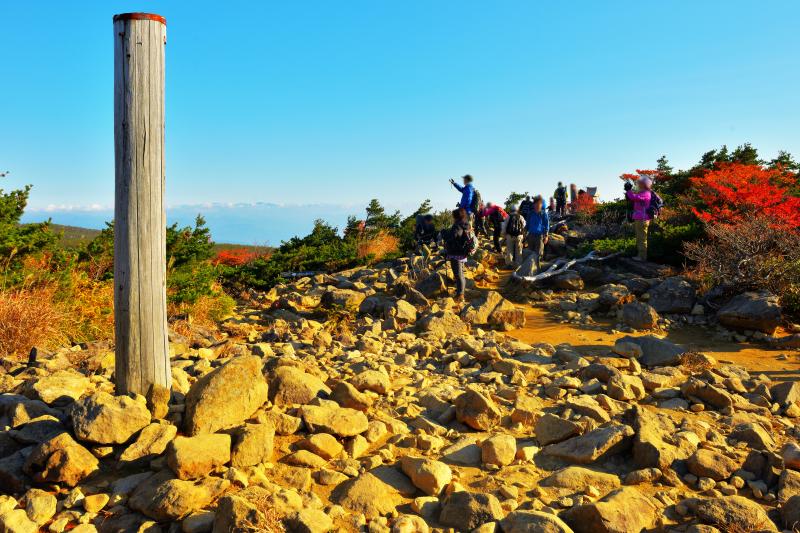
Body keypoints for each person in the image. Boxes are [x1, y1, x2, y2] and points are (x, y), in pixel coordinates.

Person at [443, 208, 478, 302]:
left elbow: (454, 237)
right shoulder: (466, 223)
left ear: (456, 216)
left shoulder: (457, 225)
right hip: (462, 252)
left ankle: (460, 295)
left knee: (458, 275)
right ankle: (460, 293)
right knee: (461, 274)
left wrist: (444, 234)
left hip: (456, 253)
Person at [625, 176, 654, 261]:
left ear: (644, 185)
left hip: (642, 219)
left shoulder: (646, 193)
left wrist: (629, 191)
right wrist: (629, 192)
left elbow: (634, 198)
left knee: (641, 238)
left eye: (640, 183)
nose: (638, 185)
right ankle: (640, 255)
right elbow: (633, 198)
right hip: (640, 218)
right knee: (640, 237)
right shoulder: (643, 192)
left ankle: (642, 257)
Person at [526, 196, 550, 273]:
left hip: (540, 236)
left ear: (541, 204)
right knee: (530, 254)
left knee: (538, 255)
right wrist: (524, 235)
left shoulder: (543, 214)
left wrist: (546, 236)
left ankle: (538, 272)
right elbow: (527, 225)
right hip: (531, 236)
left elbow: (546, 226)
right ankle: (530, 272)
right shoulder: (530, 213)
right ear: (533, 204)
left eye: (538, 204)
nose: (537, 205)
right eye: (535, 204)